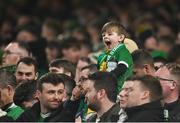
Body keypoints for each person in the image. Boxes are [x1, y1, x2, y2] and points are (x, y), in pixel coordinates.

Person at [97, 21, 133, 92]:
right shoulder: (103, 56)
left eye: (110, 34)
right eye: (103, 35)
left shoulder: (122, 50)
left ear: (121, 37)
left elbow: (122, 67)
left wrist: (107, 77)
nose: (105, 37)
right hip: (107, 89)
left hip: (120, 90)